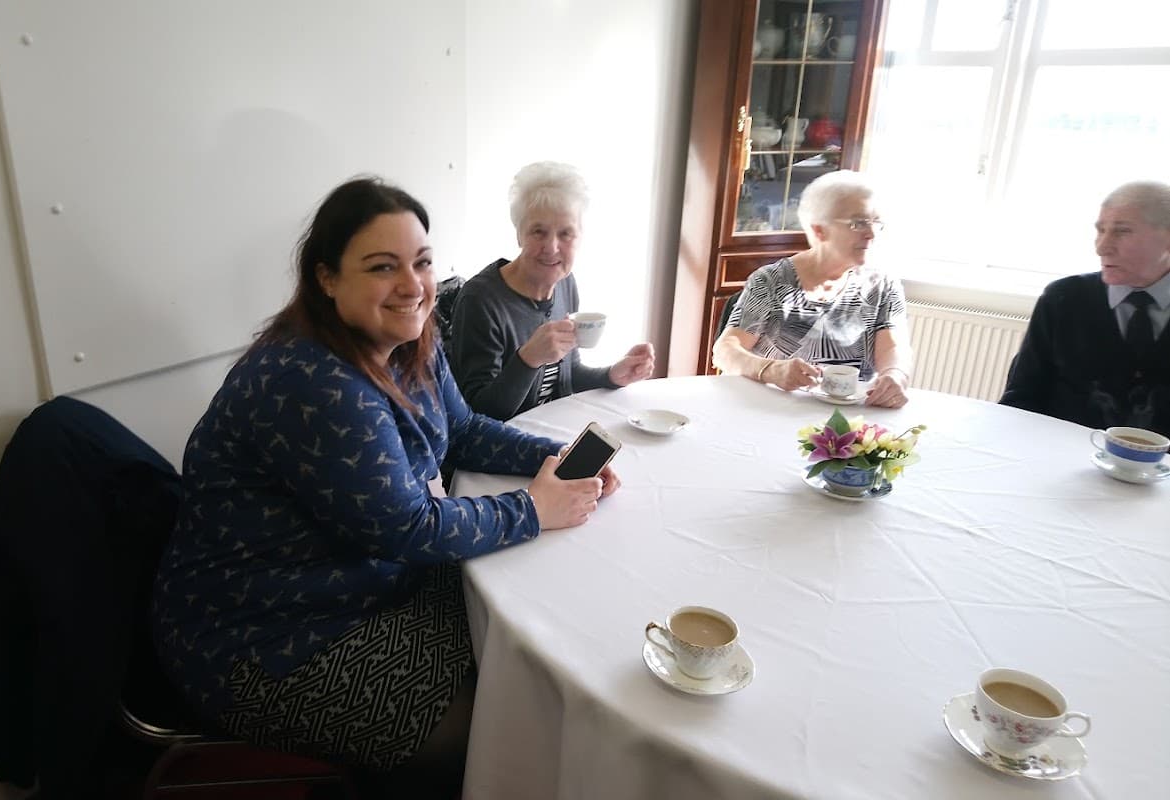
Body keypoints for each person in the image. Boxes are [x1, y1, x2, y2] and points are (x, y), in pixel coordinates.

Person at [151, 177, 619, 797]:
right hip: (269, 636)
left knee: (529, 634)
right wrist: (533, 508)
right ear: (326, 278)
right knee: (491, 719)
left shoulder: (410, 341)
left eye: (422, 263)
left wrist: (553, 455)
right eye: (382, 267)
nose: (413, 285)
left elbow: (465, 430)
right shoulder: (311, 379)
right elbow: (407, 527)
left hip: (360, 582)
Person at [448, 161, 655, 420]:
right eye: (538, 231)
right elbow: (479, 413)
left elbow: (567, 375)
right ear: (519, 234)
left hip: (555, 431)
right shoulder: (480, 300)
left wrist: (613, 374)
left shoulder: (565, 284)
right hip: (504, 447)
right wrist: (527, 360)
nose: (552, 247)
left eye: (566, 233)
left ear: (580, 238)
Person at [712, 170, 913, 408]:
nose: (871, 233)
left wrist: (896, 376)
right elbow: (725, 351)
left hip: (843, 424)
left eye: (876, 222)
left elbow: (894, 347)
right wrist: (771, 370)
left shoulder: (882, 286)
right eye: (857, 223)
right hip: (767, 413)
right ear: (819, 230)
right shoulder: (772, 282)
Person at [1000, 180, 1170, 435]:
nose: (1101, 247)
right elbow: (1021, 399)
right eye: (1101, 230)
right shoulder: (1064, 298)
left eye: (1122, 232)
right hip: (1057, 461)